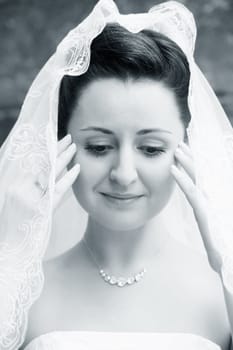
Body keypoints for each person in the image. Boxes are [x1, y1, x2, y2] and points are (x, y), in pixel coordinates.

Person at [1, 1, 233, 349]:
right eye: (98, 146)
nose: (124, 175)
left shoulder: (221, 291)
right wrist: (11, 254)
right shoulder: (19, 293)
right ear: (60, 146)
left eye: (151, 149)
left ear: (186, 149)